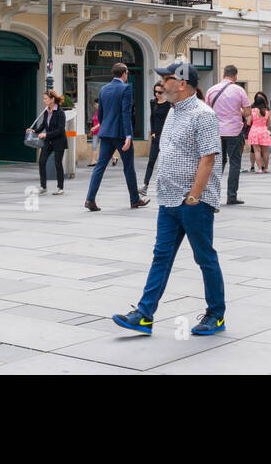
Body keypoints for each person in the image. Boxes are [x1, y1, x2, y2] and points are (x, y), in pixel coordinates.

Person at [112, 61, 225, 337]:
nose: (161, 82)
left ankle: (216, 314)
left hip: (193, 201)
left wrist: (194, 196)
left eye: (167, 78)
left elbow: (208, 158)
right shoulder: (172, 111)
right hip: (169, 199)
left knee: (204, 257)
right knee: (161, 256)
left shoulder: (204, 114)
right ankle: (144, 314)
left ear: (183, 83)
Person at [85, 63, 148, 211]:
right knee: (128, 167)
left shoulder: (104, 89)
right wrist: (128, 135)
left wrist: (105, 125)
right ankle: (134, 200)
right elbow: (126, 113)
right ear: (125, 73)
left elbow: (100, 114)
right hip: (120, 134)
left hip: (106, 133)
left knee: (99, 167)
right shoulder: (126, 88)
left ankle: (90, 199)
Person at [206, 65, 252, 204]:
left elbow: (207, 110)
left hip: (216, 132)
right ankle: (231, 196)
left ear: (224, 74)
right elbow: (248, 112)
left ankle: (213, 195)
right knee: (234, 163)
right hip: (234, 131)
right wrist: (240, 113)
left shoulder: (212, 90)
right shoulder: (239, 90)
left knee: (217, 164)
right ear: (235, 76)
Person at [31, 90, 68, 195]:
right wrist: (35, 131)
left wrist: (46, 134)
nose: (44, 101)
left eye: (46, 99)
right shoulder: (46, 111)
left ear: (52, 100)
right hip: (48, 141)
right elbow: (44, 124)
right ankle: (43, 187)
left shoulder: (60, 112)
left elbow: (60, 130)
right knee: (42, 161)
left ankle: (60, 188)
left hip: (59, 141)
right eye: (44, 99)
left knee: (58, 163)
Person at [141, 82, 171, 196]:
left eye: (159, 92)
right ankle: (145, 185)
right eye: (155, 92)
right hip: (156, 136)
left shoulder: (169, 103)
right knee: (151, 161)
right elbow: (152, 117)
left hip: (167, 136)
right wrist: (152, 132)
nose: (157, 94)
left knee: (166, 162)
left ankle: (167, 186)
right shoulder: (153, 102)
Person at [246, 92, 271, 173]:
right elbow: (268, 124)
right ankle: (266, 168)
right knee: (265, 151)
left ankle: (259, 169)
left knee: (257, 151)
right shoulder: (267, 112)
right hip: (264, 131)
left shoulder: (253, 111)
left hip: (254, 131)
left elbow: (248, 123)